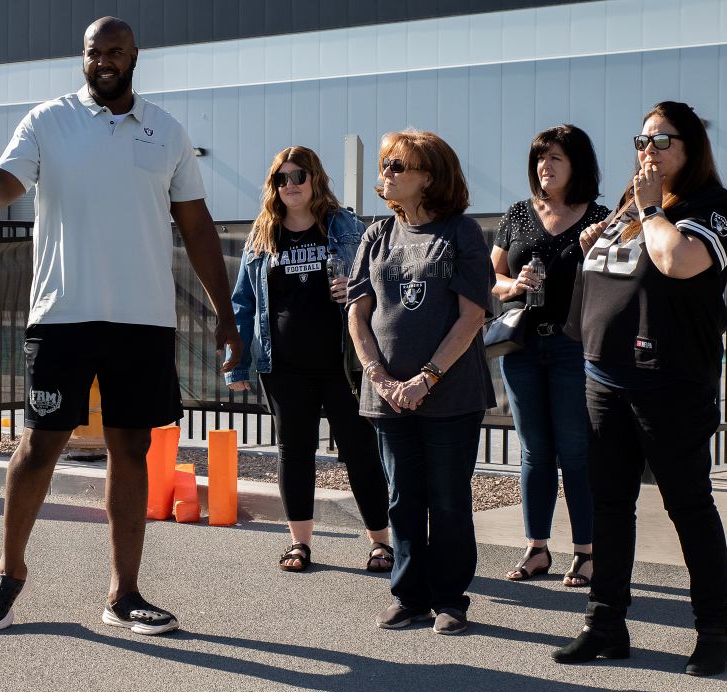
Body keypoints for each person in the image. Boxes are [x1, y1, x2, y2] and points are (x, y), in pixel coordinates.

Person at [0, 17, 239, 636]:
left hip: (142, 321)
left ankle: (124, 595)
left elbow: (197, 229)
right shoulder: (48, 121)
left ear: (135, 55)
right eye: (94, 52)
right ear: (83, 58)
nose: (104, 60)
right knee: (39, 446)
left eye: (115, 51)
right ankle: (8, 574)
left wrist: (225, 317)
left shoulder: (166, 132)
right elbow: (1, 187)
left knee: (131, 450)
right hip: (63, 316)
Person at [553, 101, 727, 677]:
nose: (648, 151)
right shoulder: (628, 207)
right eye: (642, 140)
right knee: (610, 504)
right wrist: (598, 241)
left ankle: (714, 629)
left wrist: (652, 207)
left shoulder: (714, 208)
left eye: (662, 141)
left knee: (687, 505)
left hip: (670, 384)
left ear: (690, 149)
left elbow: (677, 261)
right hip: (604, 376)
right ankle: (605, 621)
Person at [347, 130, 495, 635]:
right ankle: (407, 595)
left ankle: (450, 598)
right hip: (387, 395)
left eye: (397, 166)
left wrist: (426, 378)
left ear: (428, 177)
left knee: (448, 497)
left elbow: (472, 315)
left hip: (450, 394)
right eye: (385, 164)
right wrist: (380, 377)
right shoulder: (376, 235)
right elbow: (358, 315)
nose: (385, 173)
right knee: (402, 497)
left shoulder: (462, 233)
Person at [225, 147, 392, 573]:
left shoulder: (344, 225)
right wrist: (238, 361)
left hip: (342, 364)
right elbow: (243, 303)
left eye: (298, 176)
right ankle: (299, 544)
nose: (290, 185)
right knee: (293, 452)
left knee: (360, 451)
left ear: (315, 178)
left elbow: (379, 281)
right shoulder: (263, 234)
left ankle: (381, 543)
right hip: (283, 367)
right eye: (281, 179)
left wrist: (354, 290)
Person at [491, 125, 608, 586]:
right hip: (521, 344)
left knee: (575, 451)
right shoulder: (518, 214)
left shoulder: (599, 218)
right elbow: (490, 279)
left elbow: (612, 283)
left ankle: (586, 553)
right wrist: (514, 286)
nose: (546, 166)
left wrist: (590, 252)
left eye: (556, 158)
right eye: (540, 158)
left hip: (572, 345)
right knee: (534, 451)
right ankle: (536, 549)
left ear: (577, 164)